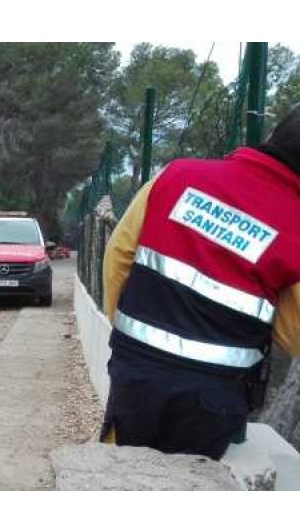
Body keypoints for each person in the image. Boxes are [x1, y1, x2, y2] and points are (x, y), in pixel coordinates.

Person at [101, 107, 300, 460]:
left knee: (120, 471)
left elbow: (119, 255)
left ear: (272, 136)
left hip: (136, 372)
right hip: (214, 397)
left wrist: (125, 334)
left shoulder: (177, 175)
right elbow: (292, 333)